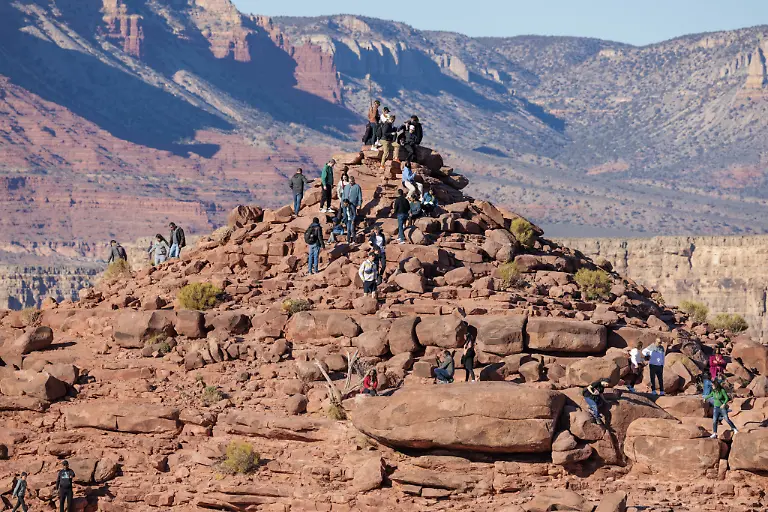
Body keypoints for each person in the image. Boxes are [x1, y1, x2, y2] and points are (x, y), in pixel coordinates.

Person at [342, 176, 363, 242]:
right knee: (346, 215)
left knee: (352, 216)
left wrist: (359, 204)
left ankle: (354, 238)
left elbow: (359, 196)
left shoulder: (357, 187)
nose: (351, 183)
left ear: (354, 181)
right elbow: (343, 195)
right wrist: (342, 202)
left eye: (352, 181)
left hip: (353, 204)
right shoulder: (346, 187)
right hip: (345, 204)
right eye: (350, 181)